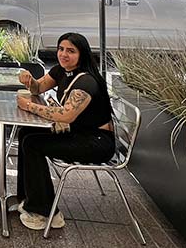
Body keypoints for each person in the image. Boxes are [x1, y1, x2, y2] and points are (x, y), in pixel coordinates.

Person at [14, 33, 115, 231]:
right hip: (79, 133)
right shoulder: (62, 71)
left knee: (32, 144)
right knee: (26, 133)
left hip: (96, 142)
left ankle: (46, 213)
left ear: (82, 55)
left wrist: (28, 106)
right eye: (61, 49)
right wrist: (28, 79)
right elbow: (39, 87)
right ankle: (29, 196)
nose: (63, 54)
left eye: (71, 51)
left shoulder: (86, 82)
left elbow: (65, 115)